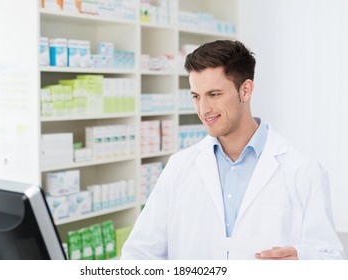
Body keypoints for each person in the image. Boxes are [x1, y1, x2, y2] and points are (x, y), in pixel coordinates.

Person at [121, 40, 345, 260]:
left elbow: (329, 257)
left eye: (214, 94)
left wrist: (302, 260)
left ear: (245, 90)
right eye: (196, 96)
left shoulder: (304, 172)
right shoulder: (179, 167)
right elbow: (139, 253)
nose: (203, 109)